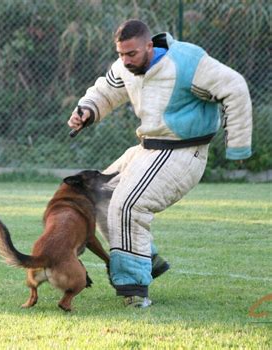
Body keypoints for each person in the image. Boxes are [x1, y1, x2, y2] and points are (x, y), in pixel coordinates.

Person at [67, 19, 252, 308]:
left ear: (149, 46)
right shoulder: (125, 66)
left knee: (127, 204)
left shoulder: (188, 61)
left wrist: (238, 147)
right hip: (147, 149)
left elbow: (234, 87)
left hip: (183, 152)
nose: (125, 61)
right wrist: (86, 111)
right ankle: (146, 260)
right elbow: (105, 91)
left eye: (132, 54)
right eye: (121, 54)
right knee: (97, 193)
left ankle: (134, 290)